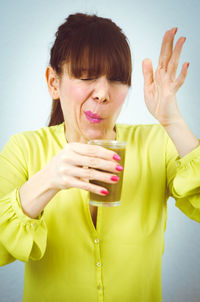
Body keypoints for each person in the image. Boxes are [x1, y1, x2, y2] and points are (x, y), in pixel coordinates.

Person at [0, 12, 199, 302]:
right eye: (86, 76)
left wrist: (173, 122)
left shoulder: (157, 143)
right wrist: (48, 180)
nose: (103, 93)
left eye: (117, 79)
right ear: (53, 82)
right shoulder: (24, 149)